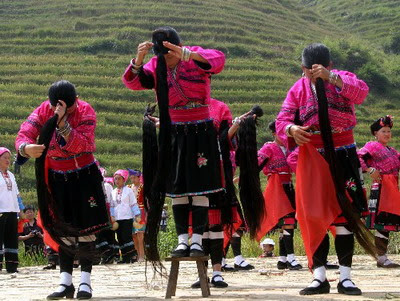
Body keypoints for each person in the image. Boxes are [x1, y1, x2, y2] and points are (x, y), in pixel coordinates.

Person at [276, 43, 374, 296]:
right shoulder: (298, 89)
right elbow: (282, 120)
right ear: (303, 69)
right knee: (312, 215)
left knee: (346, 215)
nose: (314, 73)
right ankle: (318, 277)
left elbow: (361, 92)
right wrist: (291, 130)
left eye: (321, 68)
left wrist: (332, 78)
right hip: (313, 155)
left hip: (343, 152)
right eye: (309, 70)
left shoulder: (343, 79)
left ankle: (346, 277)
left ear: (330, 65)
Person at [122, 26, 225, 261]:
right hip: (173, 131)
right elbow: (132, 82)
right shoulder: (155, 65)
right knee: (177, 188)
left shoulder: (195, 56)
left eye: (170, 54)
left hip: (200, 128)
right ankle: (182, 241)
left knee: (200, 188)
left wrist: (187, 54)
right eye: (163, 55)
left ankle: (197, 241)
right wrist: (138, 60)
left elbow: (219, 60)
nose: (167, 59)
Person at [15, 80, 110, 299]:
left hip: (84, 176)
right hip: (57, 178)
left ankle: (85, 282)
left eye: (68, 107)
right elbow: (25, 131)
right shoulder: (43, 110)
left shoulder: (85, 110)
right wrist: (25, 148)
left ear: (75, 102)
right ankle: (65, 281)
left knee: (86, 231)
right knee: (63, 230)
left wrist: (63, 124)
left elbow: (84, 144)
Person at [256, 121, 302, 270]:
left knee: (287, 225)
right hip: (277, 189)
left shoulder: (290, 149)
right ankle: (291, 258)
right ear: (274, 134)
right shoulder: (268, 147)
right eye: (280, 133)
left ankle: (282, 259)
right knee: (288, 222)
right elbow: (257, 164)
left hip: (288, 188)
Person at [358, 115, 400, 268]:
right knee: (382, 222)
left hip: (392, 189)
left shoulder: (393, 151)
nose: (387, 134)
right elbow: (358, 157)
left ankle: (382, 256)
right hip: (381, 188)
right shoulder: (371, 146)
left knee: (387, 223)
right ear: (375, 133)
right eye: (384, 131)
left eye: (389, 131)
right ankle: (381, 257)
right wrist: (369, 169)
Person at [0, 147, 24, 274]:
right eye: (5, 157)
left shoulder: (11, 175)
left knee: (11, 237)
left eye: (9, 158)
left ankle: (12, 265)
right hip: (1, 210)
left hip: (12, 210)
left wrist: (21, 209)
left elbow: (17, 194)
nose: (7, 160)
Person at [110, 169, 141, 264]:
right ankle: (125, 257)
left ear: (124, 180)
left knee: (126, 236)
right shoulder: (113, 192)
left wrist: (137, 215)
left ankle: (133, 255)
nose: (117, 181)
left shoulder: (128, 191)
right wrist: (112, 216)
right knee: (120, 237)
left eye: (119, 179)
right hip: (117, 218)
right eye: (115, 179)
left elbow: (133, 204)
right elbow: (112, 205)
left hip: (127, 217)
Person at [127, 169, 146, 263]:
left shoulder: (143, 187)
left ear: (139, 177)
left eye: (134, 177)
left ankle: (142, 255)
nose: (132, 180)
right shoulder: (129, 187)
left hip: (141, 212)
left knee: (140, 234)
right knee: (133, 235)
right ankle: (138, 255)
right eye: (131, 178)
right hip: (130, 213)